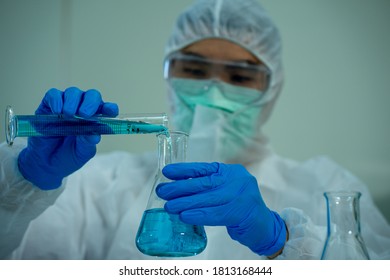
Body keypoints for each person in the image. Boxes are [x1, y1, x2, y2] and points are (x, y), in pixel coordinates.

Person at [0, 0, 389, 260]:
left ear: (272, 89)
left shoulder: (325, 184)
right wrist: (25, 181)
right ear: (169, 74)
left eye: (239, 75)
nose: (212, 90)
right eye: (195, 70)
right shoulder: (97, 183)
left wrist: (282, 241)